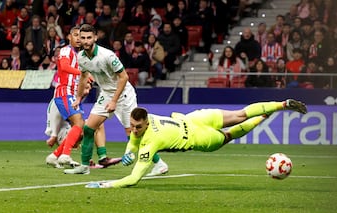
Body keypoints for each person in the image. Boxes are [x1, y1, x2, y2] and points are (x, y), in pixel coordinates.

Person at [85, 99, 307, 188]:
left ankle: (263, 117)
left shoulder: (150, 142)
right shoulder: (146, 119)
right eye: (132, 126)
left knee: (230, 135)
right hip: (196, 118)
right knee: (239, 114)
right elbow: (134, 140)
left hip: (198, 138)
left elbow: (133, 179)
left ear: (144, 123)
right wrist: (128, 152)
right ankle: (281, 104)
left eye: (137, 127)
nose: (134, 130)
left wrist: (106, 184)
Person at [64, 24, 168, 176]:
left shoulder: (107, 55)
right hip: (106, 94)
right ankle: (84, 166)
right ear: (79, 38)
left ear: (95, 38)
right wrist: (79, 98)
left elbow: (124, 77)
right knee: (88, 129)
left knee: (133, 133)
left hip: (124, 95)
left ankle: (159, 163)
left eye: (89, 37)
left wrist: (114, 101)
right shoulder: (81, 57)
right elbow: (84, 77)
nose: (86, 41)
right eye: (83, 38)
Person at [46, 26, 118, 168]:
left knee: (83, 129)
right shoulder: (66, 50)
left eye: (81, 36)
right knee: (79, 124)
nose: (79, 39)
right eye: (75, 35)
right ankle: (65, 155)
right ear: (69, 37)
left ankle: (55, 156)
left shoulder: (81, 56)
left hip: (73, 95)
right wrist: (83, 72)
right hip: (64, 92)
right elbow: (65, 67)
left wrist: (87, 84)